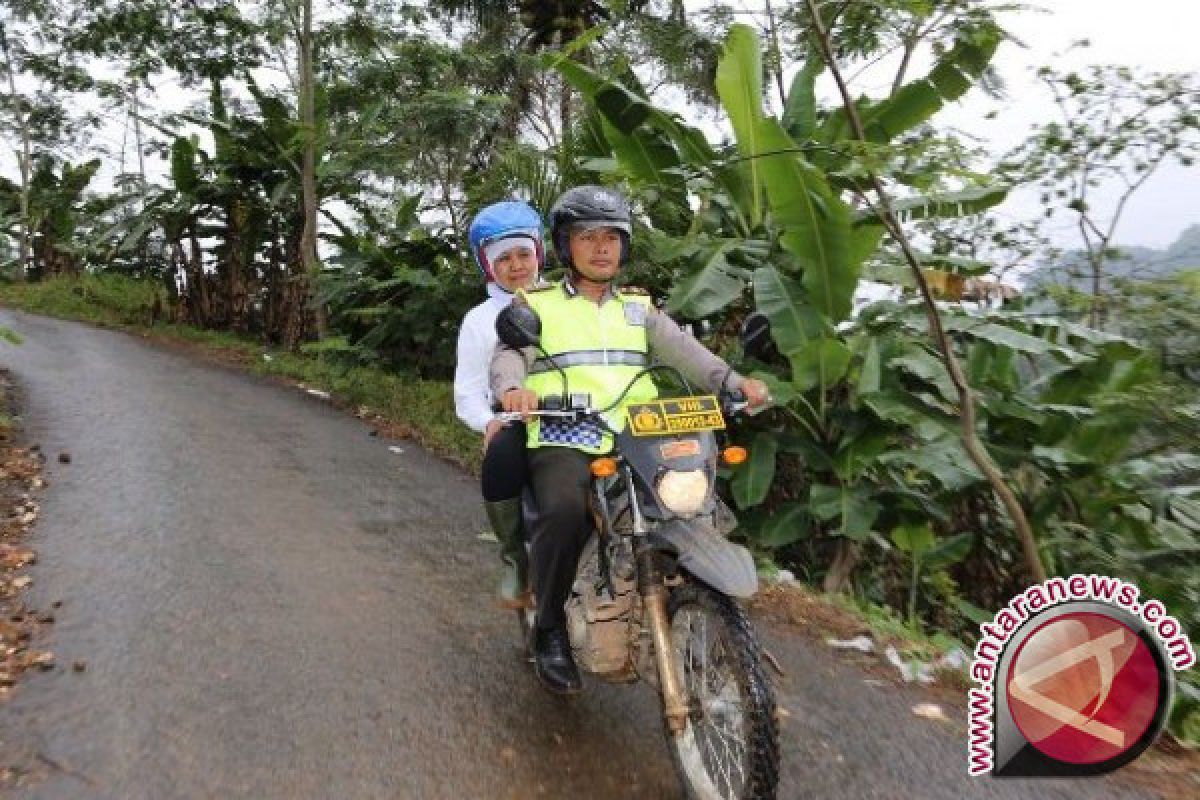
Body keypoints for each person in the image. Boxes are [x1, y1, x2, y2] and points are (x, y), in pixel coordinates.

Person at [490, 185, 769, 693]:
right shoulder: (538, 303)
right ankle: (549, 628)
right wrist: (512, 390)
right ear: (564, 245)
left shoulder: (639, 309)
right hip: (565, 435)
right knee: (563, 510)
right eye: (588, 236)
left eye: (612, 237)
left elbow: (688, 354)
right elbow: (510, 355)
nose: (601, 247)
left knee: (691, 504)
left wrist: (733, 383)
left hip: (635, 436)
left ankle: (676, 606)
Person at [454, 200, 545, 608]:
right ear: (487, 265)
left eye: (523, 253)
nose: (516, 265)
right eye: (503, 258)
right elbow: (469, 391)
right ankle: (514, 558)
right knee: (502, 455)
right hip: (516, 417)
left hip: (580, 415)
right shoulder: (479, 320)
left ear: (539, 253)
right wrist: (488, 422)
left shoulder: (564, 301)